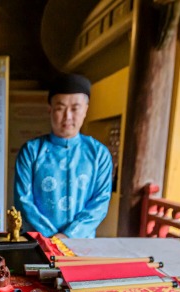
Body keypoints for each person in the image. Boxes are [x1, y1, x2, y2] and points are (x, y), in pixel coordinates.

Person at [13, 73, 112, 239]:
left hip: (82, 243)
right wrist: (51, 237)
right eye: (60, 108)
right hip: (38, 241)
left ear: (86, 110)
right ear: (50, 109)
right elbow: (23, 201)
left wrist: (69, 235)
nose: (68, 116)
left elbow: (100, 203)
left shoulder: (99, 154)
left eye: (75, 108)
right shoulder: (31, 151)